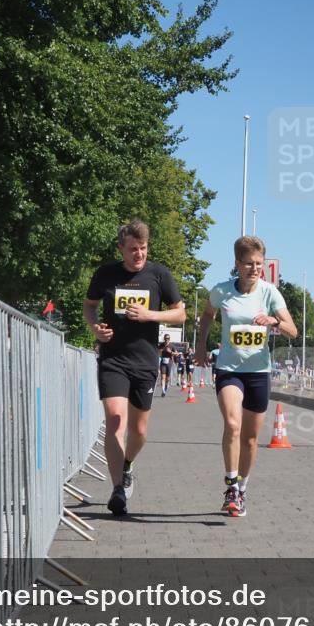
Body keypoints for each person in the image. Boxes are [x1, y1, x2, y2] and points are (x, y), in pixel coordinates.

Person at [83, 220, 186, 516]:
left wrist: (150, 315)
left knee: (139, 431)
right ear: (121, 249)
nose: (138, 254)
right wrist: (95, 329)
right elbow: (89, 305)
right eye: (133, 250)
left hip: (144, 362)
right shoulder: (106, 274)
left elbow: (180, 314)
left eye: (143, 249)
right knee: (116, 420)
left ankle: (127, 465)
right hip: (113, 359)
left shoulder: (158, 274)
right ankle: (117, 490)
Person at [195, 236, 297, 518]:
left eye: (259, 264)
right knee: (232, 423)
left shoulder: (269, 293)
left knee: (250, 439)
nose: (255, 269)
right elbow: (207, 315)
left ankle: (242, 487)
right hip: (228, 369)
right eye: (249, 264)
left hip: (258, 372)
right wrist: (201, 346)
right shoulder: (222, 291)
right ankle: (231, 486)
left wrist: (274, 321)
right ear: (237, 264)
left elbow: (293, 330)